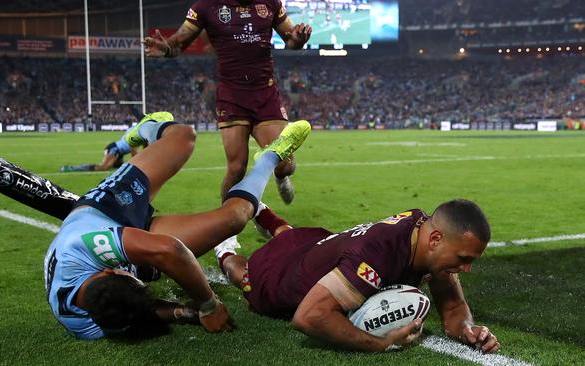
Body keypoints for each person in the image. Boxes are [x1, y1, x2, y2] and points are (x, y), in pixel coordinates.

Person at [44, 109, 311, 340]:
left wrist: (209, 306)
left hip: (111, 209)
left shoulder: (80, 248)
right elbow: (139, 312)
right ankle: (271, 156)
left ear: (110, 272)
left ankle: (145, 127)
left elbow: (169, 251)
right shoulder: (84, 323)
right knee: (235, 218)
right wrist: (182, 313)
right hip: (133, 246)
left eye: (130, 278)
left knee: (183, 138)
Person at [215, 199, 501, 353]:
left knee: (291, 240)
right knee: (244, 274)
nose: (466, 269)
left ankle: (268, 218)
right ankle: (225, 247)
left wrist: (467, 329)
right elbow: (309, 317)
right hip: (281, 278)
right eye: (463, 259)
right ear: (436, 239)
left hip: (323, 248)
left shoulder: (429, 241)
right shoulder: (378, 254)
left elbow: (452, 308)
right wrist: (381, 343)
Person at [142, 0, 312, 208]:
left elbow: (290, 39)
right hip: (232, 96)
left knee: (285, 163)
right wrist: (166, 49)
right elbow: (178, 43)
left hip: (265, 93)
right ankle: (226, 231)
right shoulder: (205, 6)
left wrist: (299, 39)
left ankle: (281, 176)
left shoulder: (270, 3)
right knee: (236, 167)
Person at [59, 119, 163, 172]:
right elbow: (133, 150)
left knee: (117, 167)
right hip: (114, 148)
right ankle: (71, 168)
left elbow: (147, 148)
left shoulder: (139, 130)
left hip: (120, 152)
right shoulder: (137, 133)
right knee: (103, 167)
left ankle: (117, 161)